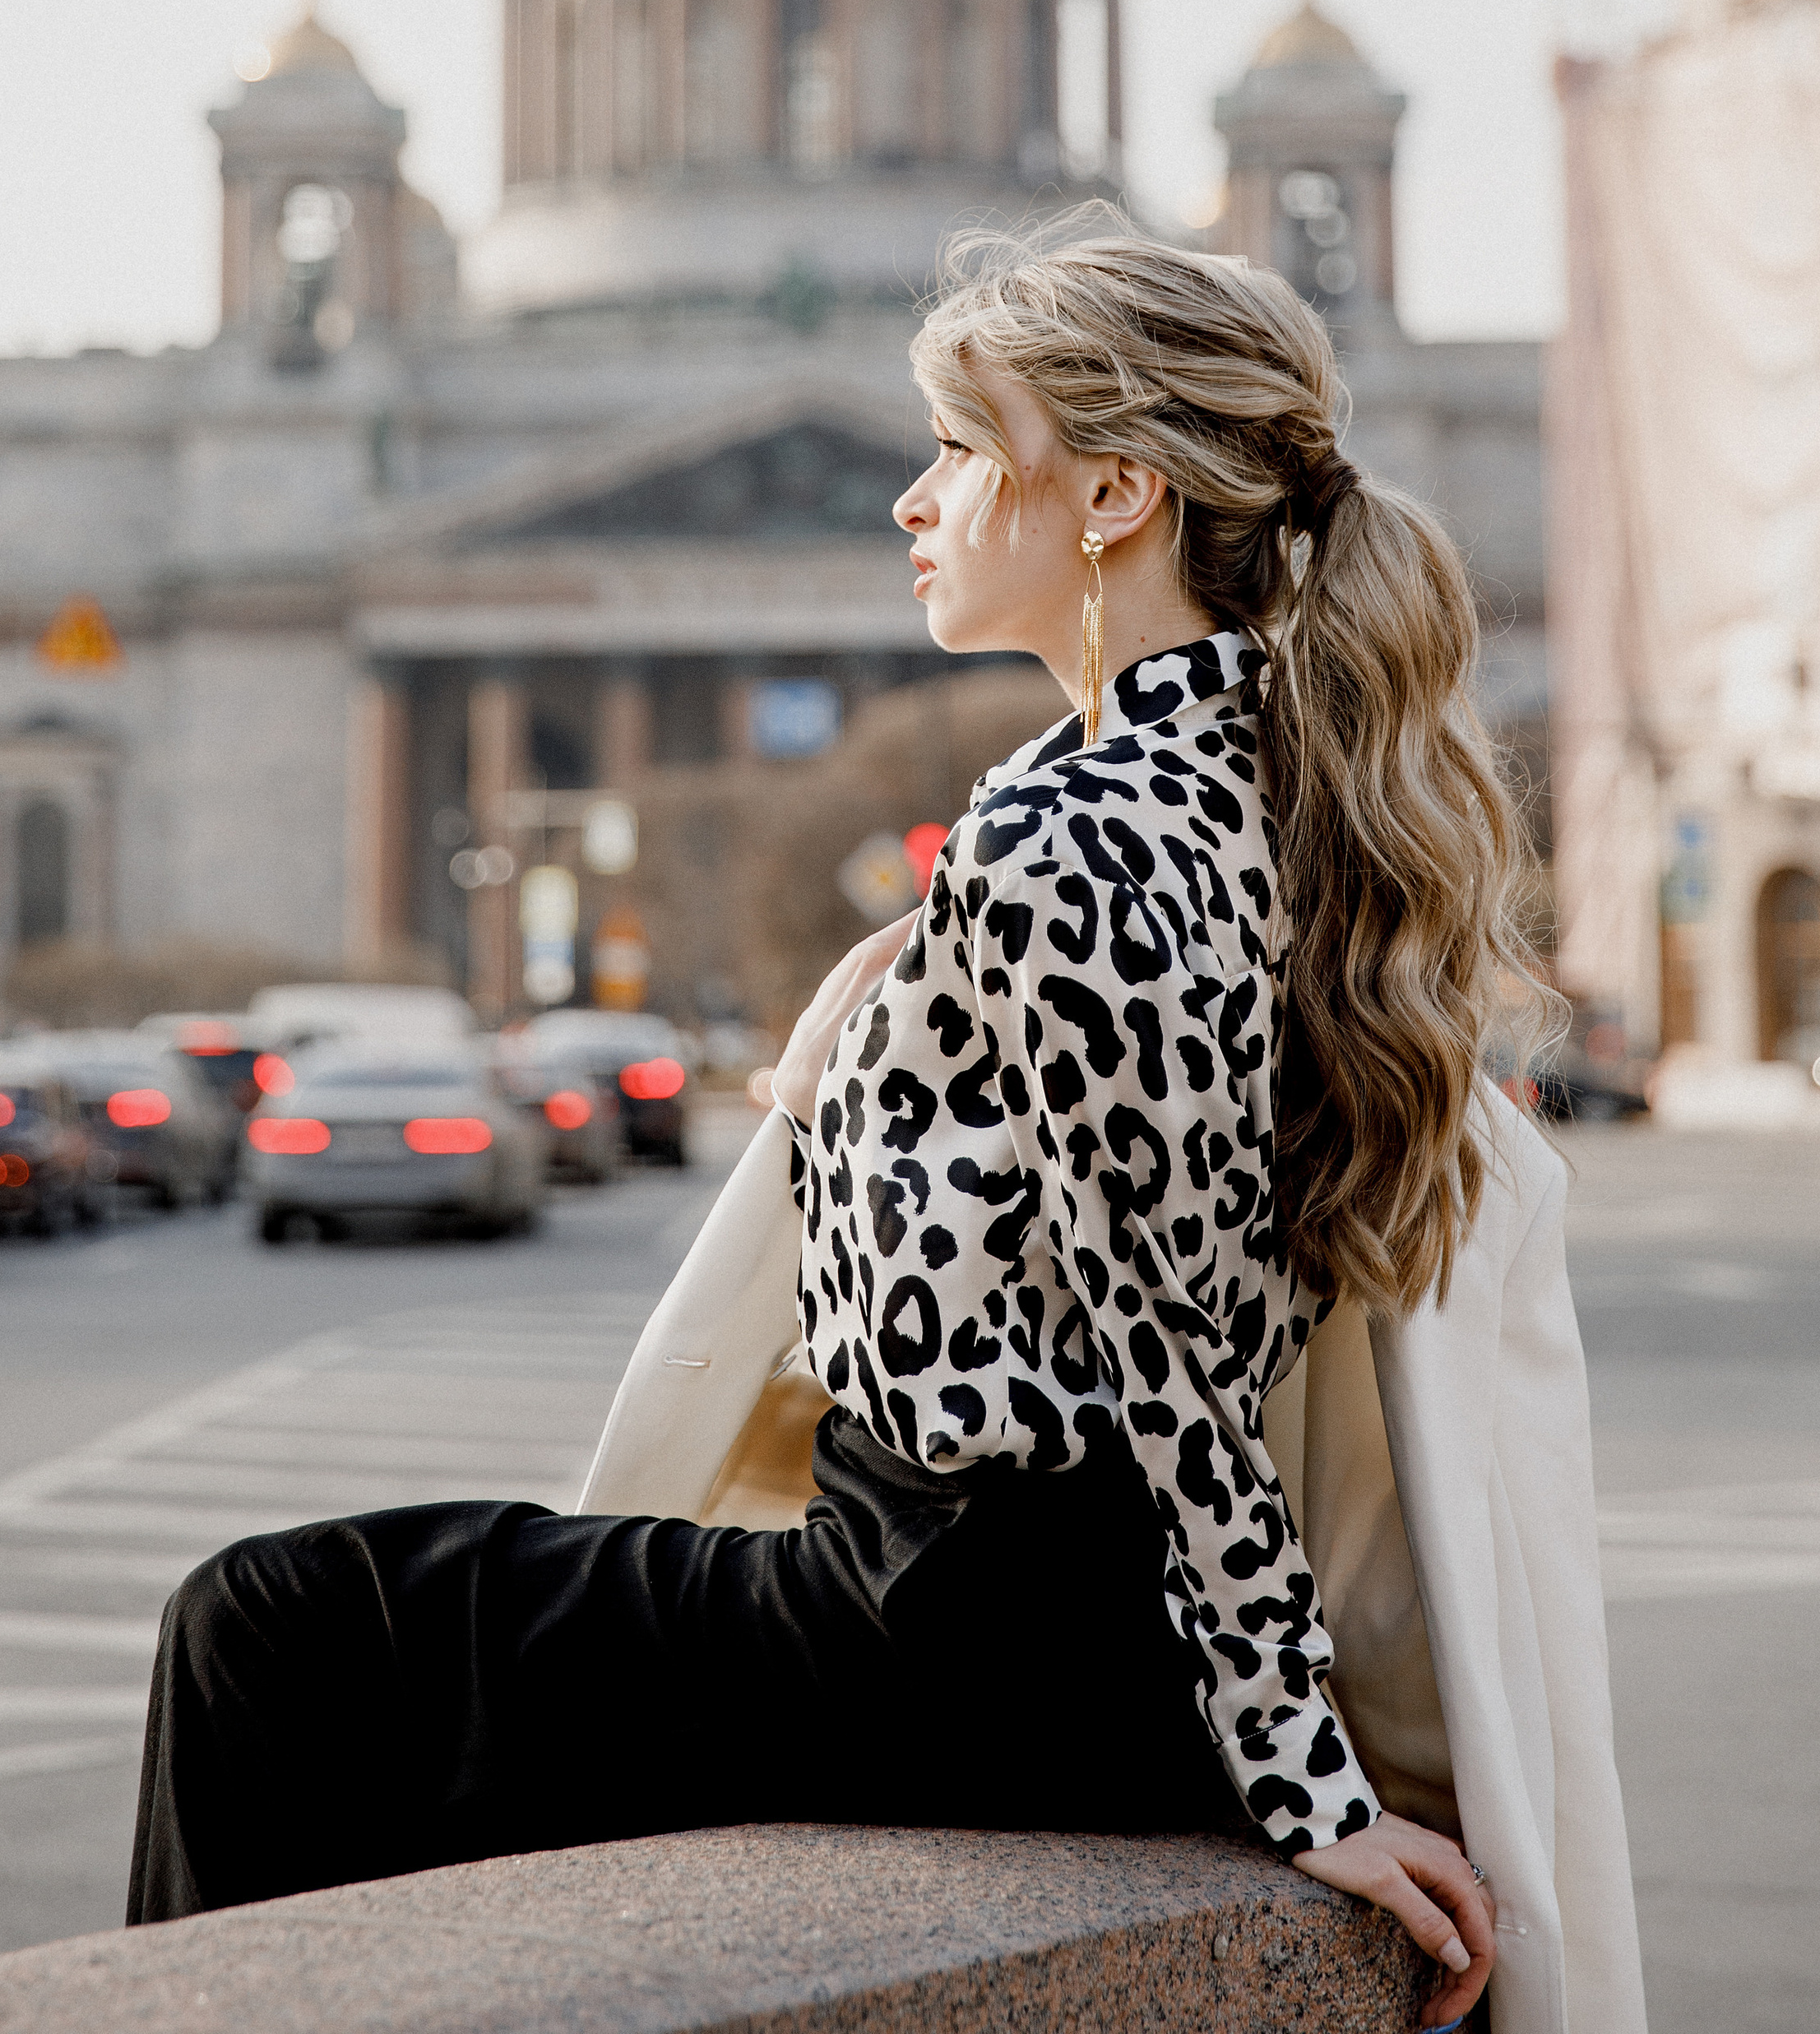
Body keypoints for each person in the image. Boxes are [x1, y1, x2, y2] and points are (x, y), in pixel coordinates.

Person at [130, 221, 1558, 2031]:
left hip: (956, 1622)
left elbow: (1172, 1358)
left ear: (1111, 493)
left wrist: (1303, 1784)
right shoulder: (1238, 793)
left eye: (961, 452)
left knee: (266, 1628)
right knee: (326, 1633)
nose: (913, 501)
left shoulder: (1082, 840)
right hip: (1002, 1603)